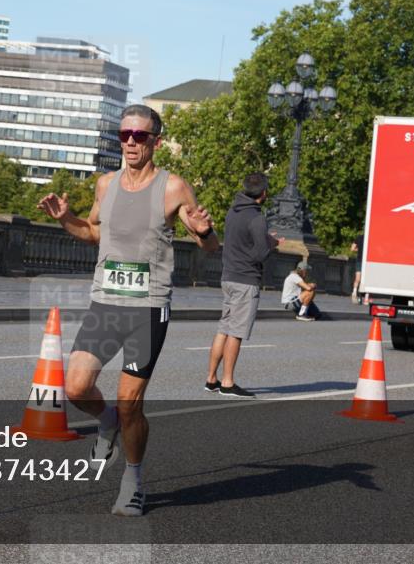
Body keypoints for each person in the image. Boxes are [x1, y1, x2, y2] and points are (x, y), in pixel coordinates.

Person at [37, 104, 218, 517]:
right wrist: (68, 219)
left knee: (131, 400)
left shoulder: (174, 188)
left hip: (147, 308)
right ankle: (106, 421)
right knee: (77, 389)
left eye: (140, 136)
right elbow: (93, 232)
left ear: (155, 140)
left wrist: (207, 232)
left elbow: (208, 246)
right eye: (125, 136)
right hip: (105, 302)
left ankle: (133, 479)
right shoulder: (106, 184)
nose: (131, 143)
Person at [204, 172, 282, 399]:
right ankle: (228, 382)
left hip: (228, 276)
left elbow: (241, 242)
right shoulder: (257, 218)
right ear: (264, 193)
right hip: (246, 280)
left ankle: (211, 379)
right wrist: (272, 242)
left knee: (224, 328)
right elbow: (260, 253)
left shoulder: (233, 210)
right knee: (236, 332)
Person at [350, 233, 365, 305]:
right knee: (366, 280)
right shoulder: (371, 237)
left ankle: (354, 292)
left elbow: (352, 249)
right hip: (367, 261)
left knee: (357, 278)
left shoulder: (359, 237)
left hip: (359, 260)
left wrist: (358, 249)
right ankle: (366, 298)